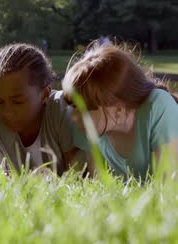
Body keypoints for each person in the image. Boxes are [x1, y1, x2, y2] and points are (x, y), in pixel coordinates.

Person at [63, 43, 178, 179]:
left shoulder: (159, 106)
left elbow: (168, 185)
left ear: (118, 110)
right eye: (73, 106)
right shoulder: (88, 126)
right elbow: (97, 185)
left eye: (83, 109)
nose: (73, 117)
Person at [0, 43, 83, 175]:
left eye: (18, 101)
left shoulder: (63, 110)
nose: (7, 111)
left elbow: (78, 176)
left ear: (45, 93)